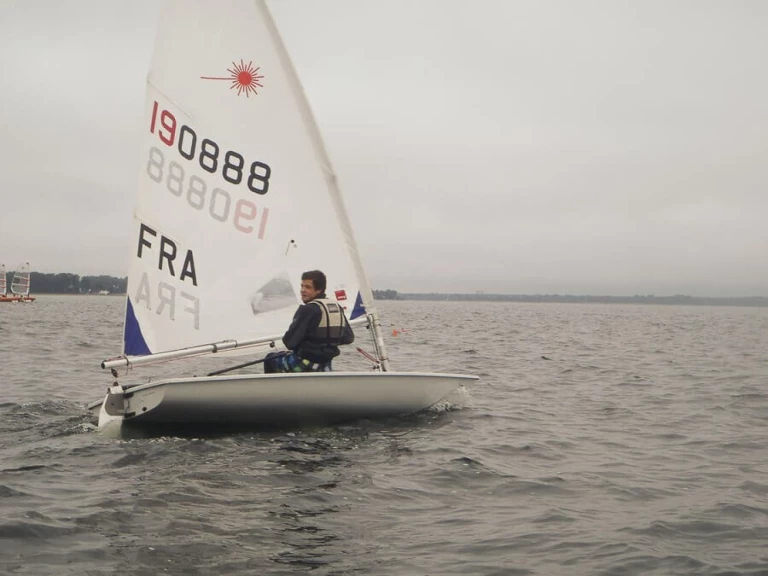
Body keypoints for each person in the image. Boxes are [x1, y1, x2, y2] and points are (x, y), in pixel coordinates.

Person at [264, 270, 354, 373]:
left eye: (307, 287)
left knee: (270, 359)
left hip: (304, 363)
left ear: (319, 290)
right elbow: (349, 338)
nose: (302, 290)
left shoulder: (307, 309)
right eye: (302, 286)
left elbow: (289, 342)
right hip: (325, 364)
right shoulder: (336, 307)